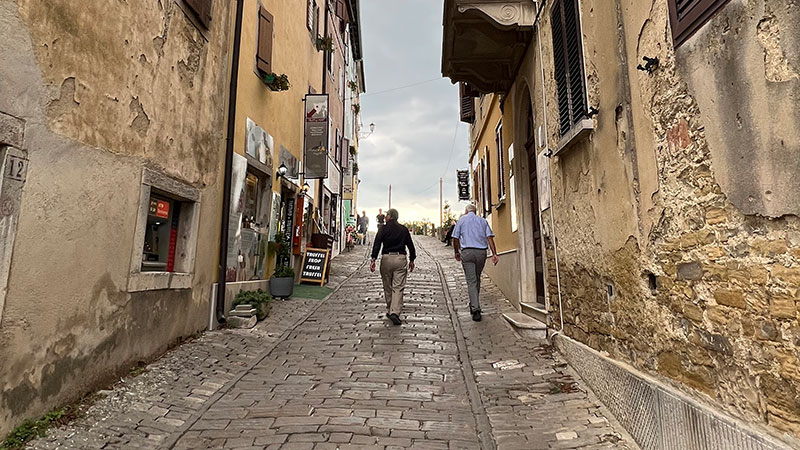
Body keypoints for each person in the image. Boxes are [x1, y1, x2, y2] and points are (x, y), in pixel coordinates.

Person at [451, 204, 499, 321]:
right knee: (476, 278)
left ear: (466, 211)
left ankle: (475, 308)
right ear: (475, 211)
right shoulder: (482, 221)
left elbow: (455, 238)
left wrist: (456, 251)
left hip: (467, 252)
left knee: (471, 281)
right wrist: (494, 253)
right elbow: (489, 238)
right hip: (481, 253)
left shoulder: (461, 220)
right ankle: (474, 303)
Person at [370, 208, 416, 325]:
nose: (385, 217)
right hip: (400, 258)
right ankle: (394, 311)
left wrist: (373, 259)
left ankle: (391, 309)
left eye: (386, 215)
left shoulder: (383, 229)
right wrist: (412, 259)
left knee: (387, 285)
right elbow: (410, 245)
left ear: (390, 216)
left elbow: (377, 243)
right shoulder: (403, 229)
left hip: (386, 258)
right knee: (398, 286)